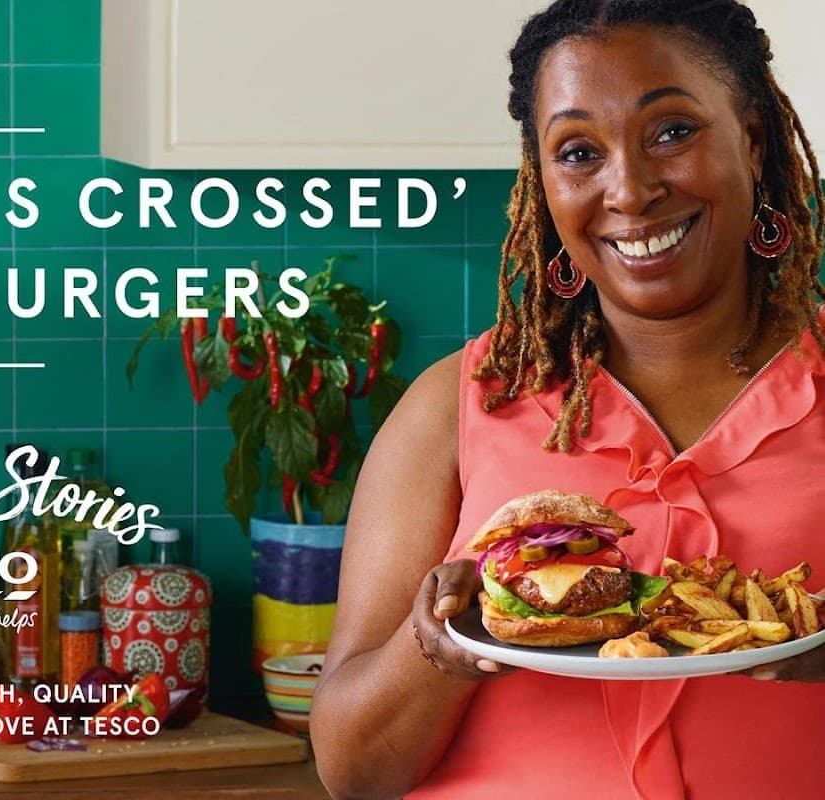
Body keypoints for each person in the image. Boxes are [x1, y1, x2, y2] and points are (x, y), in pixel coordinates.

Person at [310, 2, 825, 798]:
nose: (631, 189)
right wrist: (442, 643)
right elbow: (353, 773)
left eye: (672, 132)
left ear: (752, 142)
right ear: (545, 184)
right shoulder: (454, 404)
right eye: (579, 151)